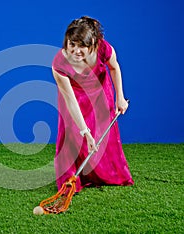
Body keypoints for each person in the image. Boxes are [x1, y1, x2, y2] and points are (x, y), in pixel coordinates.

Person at [52, 16, 134, 192]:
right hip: (74, 97)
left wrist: (120, 96)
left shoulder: (104, 48)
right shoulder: (59, 64)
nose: (76, 51)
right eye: (72, 44)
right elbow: (70, 101)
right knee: (72, 135)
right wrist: (85, 132)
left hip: (99, 93)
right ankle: (72, 179)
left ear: (93, 44)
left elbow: (114, 67)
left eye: (82, 46)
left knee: (102, 135)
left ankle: (102, 175)